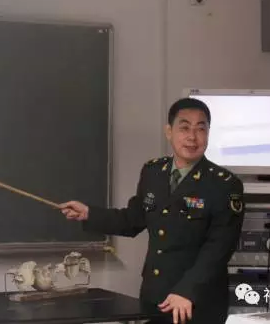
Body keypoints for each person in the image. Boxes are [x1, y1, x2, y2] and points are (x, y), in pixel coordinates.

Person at [59, 97, 245, 324]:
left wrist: (187, 291)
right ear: (169, 132)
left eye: (200, 129)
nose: (192, 137)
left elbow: (219, 248)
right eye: (184, 128)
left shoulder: (224, 184)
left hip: (197, 301)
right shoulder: (153, 172)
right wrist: (89, 213)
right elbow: (132, 219)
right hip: (155, 296)